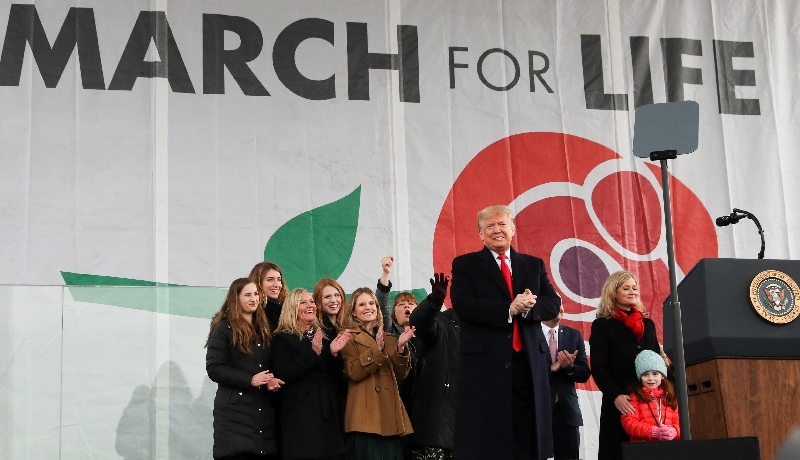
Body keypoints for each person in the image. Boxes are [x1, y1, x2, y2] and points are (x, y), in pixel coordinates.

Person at [450, 205, 561, 460]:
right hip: (486, 364)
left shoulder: (533, 265)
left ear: (512, 229)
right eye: (489, 226)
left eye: (502, 224)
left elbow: (552, 303)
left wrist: (529, 307)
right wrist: (508, 309)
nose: (497, 230)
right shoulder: (466, 264)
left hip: (528, 363)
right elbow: (464, 305)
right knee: (490, 437)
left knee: (528, 434)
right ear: (480, 234)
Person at [205, 278, 285, 459]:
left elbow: (265, 365)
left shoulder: (263, 328)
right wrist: (250, 379)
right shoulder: (223, 328)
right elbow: (214, 367)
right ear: (236, 298)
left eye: (256, 294)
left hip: (262, 408)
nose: (254, 299)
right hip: (235, 412)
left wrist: (269, 379)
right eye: (247, 295)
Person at [271, 288, 352, 460]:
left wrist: (333, 353)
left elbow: (335, 377)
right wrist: (312, 353)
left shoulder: (321, 336)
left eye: (312, 301)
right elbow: (283, 373)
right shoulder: (282, 338)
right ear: (292, 308)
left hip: (328, 412)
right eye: (303, 302)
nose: (310, 305)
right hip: (301, 414)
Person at [589, 270, 661, 460]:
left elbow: (658, 361)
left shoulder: (648, 324)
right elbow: (599, 368)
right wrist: (616, 396)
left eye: (635, 288)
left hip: (650, 402)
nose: (633, 292)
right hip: (621, 403)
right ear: (613, 292)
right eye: (626, 288)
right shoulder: (602, 325)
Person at [339, 286, 415, 459]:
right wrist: (377, 349)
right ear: (353, 312)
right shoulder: (348, 337)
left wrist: (401, 347)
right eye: (362, 304)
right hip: (363, 418)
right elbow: (353, 372)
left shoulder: (389, 338)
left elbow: (401, 374)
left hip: (389, 416)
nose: (368, 307)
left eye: (372, 303)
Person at [407, 273, 459, 460]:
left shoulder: (486, 327)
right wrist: (433, 302)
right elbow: (419, 322)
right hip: (437, 432)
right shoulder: (442, 322)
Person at [541, 305, 591, 460]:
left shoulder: (573, 335)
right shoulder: (530, 334)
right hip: (536, 410)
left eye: (561, 304)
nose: (560, 308)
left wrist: (570, 367)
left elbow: (584, 374)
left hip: (566, 412)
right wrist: (550, 369)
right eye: (555, 303)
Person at [620, 350, 679, 443]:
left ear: (662, 376)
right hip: (643, 448)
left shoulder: (670, 396)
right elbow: (629, 423)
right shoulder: (634, 398)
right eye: (645, 374)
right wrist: (654, 432)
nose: (650, 378)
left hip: (669, 447)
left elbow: (680, 422)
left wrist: (674, 431)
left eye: (655, 374)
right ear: (640, 377)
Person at [250, 262, 288, 331]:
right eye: (270, 280)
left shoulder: (286, 309)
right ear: (257, 283)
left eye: (279, 280)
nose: (276, 285)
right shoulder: (253, 312)